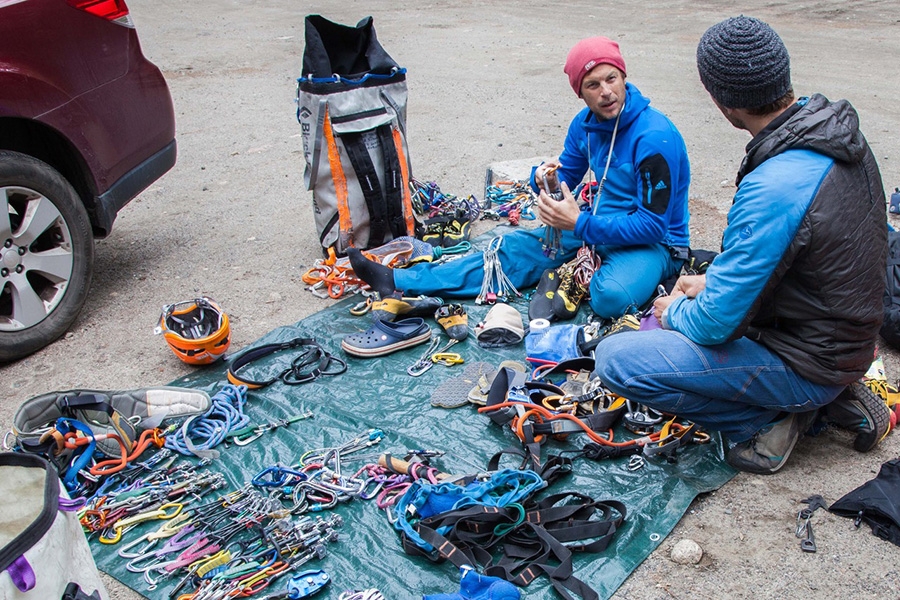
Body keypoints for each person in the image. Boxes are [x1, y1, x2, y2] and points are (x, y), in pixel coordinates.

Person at [594, 16, 889, 474]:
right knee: (698, 292)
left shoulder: (774, 185)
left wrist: (672, 312)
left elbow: (714, 326)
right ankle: (821, 397)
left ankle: (780, 416)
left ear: (719, 100)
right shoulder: (834, 133)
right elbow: (808, 261)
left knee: (617, 359)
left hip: (810, 362)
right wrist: (711, 281)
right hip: (844, 340)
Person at [349, 36, 690, 321]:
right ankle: (398, 278)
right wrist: (541, 177)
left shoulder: (654, 138)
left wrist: (579, 223)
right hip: (597, 225)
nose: (606, 92)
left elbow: (653, 226)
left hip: (654, 243)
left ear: (624, 77)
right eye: (593, 84)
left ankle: (647, 272)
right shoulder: (585, 125)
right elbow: (565, 177)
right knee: (509, 251)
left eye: (612, 79)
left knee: (610, 298)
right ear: (580, 92)